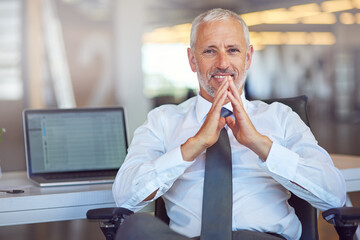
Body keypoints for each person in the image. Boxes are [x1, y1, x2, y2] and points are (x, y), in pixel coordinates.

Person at [112, 8, 346, 240]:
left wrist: (261, 145)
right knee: (137, 227)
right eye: (209, 51)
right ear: (193, 60)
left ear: (248, 58)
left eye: (232, 50)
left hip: (261, 237)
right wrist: (193, 146)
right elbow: (124, 197)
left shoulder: (280, 117)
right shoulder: (162, 121)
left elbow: (334, 195)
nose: (222, 63)